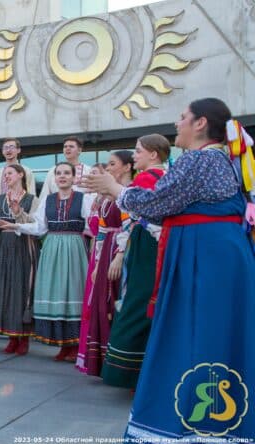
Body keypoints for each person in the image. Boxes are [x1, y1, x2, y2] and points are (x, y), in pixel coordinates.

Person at [84, 98, 255, 441]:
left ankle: (195, 422)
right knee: (215, 333)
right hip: (216, 253)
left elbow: (157, 202)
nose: (177, 123)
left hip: (205, 256)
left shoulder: (200, 159)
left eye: (182, 117)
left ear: (200, 123)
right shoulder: (222, 160)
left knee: (194, 332)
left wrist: (115, 189)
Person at [101, 135, 169, 389]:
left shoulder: (147, 178)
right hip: (154, 244)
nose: (135, 155)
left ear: (153, 154)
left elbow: (134, 216)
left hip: (146, 244)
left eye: (139, 151)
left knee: (137, 301)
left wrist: (112, 188)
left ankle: (130, 371)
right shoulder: (164, 176)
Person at [7, 162, 93, 361]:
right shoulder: (48, 200)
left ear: (73, 177)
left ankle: (75, 345)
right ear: (54, 178)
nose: (62, 176)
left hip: (74, 248)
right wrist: (17, 226)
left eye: (66, 173)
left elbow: (92, 225)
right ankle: (62, 345)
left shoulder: (84, 199)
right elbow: (39, 227)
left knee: (73, 292)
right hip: (52, 248)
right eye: (59, 173)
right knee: (54, 292)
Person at [84, 150, 133, 377]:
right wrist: (97, 264)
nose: (109, 168)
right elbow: (102, 232)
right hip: (106, 253)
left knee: (118, 300)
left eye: (113, 164)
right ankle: (105, 362)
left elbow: (129, 227)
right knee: (103, 303)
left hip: (122, 251)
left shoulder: (128, 193)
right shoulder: (106, 197)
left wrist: (120, 255)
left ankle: (122, 362)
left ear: (127, 167)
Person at [0, 164, 39, 355]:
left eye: (10, 173)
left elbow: (36, 225)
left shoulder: (32, 199)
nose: (6, 177)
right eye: (4, 174)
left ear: (21, 175)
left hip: (24, 245)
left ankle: (23, 338)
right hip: (4, 244)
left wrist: (18, 213)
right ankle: (12, 337)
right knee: (4, 288)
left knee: (20, 289)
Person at [76, 163, 106, 372]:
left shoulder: (110, 199)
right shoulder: (93, 200)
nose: (91, 177)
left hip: (105, 249)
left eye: (96, 174)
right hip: (95, 248)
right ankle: (88, 353)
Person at [39, 136, 92, 203]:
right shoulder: (53, 170)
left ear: (79, 150)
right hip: (57, 206)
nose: (67, 148)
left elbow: (93, 194)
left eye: (71, 146)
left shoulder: (88, 171)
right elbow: (45, 194)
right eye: (65, 146)